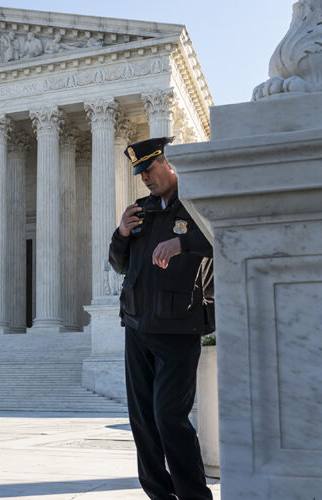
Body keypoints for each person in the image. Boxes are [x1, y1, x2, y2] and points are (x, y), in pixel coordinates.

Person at [108, 136, 214, 500]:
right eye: (140, 173)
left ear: (167, 163)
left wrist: (181, 243)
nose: (145, 178)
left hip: (179, 325)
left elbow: (222, 238)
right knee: (143, 422)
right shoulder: (141, 210)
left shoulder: (197, 202)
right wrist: (121, 232)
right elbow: (118, 263)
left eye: (150, 170)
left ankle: (194, 496)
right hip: (137, 325)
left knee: (170, 417)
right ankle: (159, 494)